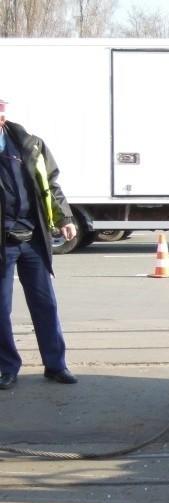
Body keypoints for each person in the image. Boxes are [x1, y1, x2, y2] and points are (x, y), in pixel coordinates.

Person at [0, 98, 78, 391]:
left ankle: (56, 365)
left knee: (45, 304)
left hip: (32, 236)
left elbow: (51, 185)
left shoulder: (30, 144)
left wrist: (64, 218)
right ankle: (7, 368)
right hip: (2, 241)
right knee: (0, 309)